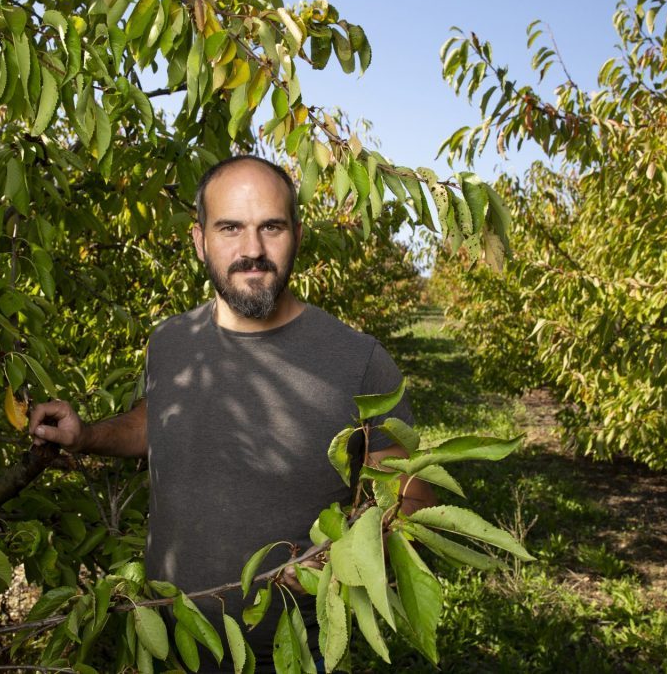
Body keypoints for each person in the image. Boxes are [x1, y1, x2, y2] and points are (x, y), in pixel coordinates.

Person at [29, 155, 435, 671]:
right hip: (165, 639)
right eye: (230, 228)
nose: (253, 250)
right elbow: (158, 422)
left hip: (288, 652)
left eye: (271, 227)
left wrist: (344, 552)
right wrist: (86, 435)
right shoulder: (171, 341)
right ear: (199, 240)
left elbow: (412, 501)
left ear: (298, 235)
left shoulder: (359, 363)